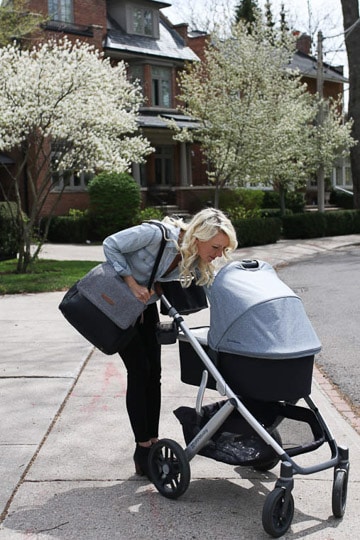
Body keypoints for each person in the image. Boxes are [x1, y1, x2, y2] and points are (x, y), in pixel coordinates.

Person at [103, 208, 238, 477]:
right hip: (118, 304)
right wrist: (132, 283)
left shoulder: (191, 255)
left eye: (223, 249)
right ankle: (142, 448)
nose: (218, 254)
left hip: (145, 307)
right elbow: (111, 245)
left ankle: (152, 444)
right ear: (199, 235)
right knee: (140, 371)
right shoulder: (157, 235)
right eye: (215, 247)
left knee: (155, 375)